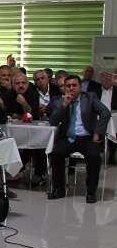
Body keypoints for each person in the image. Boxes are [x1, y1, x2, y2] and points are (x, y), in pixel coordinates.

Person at [47, 74, 111, 203]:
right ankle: (59, 189)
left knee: (94, 155)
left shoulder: (90, 97)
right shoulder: (60, 101)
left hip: (87, 138)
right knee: (57, 153)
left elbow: (105, 112)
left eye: (74, 85)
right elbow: (53, 121)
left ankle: (91, 192)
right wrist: (64, 105)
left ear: (80, 87)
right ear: (64, 88)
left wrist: (98, 132)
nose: (71, 88)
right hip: (68, 138)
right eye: (68, 86)